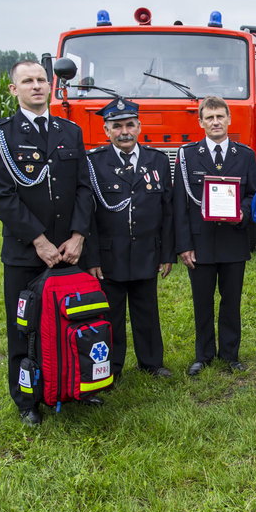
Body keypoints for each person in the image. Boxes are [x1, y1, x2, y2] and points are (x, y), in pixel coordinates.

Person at [0, 60, 94, 425]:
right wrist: (39, 241)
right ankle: (27, 400)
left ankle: (74, 385)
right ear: (14, 90)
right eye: (27, 81)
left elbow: (83, 187)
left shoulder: (70, 131)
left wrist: (77, 236)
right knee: (23, 327)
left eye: (41, 80)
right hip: (25, 252)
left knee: (72, 321)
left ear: (51, 86)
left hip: (68, 250)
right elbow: (1, 195)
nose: (36, 86)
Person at [84, 98, 174, 378]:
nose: (124, 131)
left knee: (146, 310)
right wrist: (93, 256)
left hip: (147, 250)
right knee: (111, 314)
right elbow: (88, 215)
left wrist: (167, 253)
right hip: (110, 254)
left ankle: (152, 362)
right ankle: (112, 366)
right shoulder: (94, 162)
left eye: (129, 125)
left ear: (139, 127)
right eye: (117, 126)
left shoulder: (157, 159)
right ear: (106, 130)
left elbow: (167, 210)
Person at [174, 96, 256, 376]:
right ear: (201, 122)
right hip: (200, 243)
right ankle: (204, 355)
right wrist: (184, 245)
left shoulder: (244, 156)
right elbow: (180, 204)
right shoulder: (186, 156)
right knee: (202, 302)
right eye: (209, 118)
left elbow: (252, 195)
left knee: (231, 300)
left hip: (233, 240)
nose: (215, 122)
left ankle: (231, 354)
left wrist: (242, 214)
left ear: (229, 119)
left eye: (220, 116)